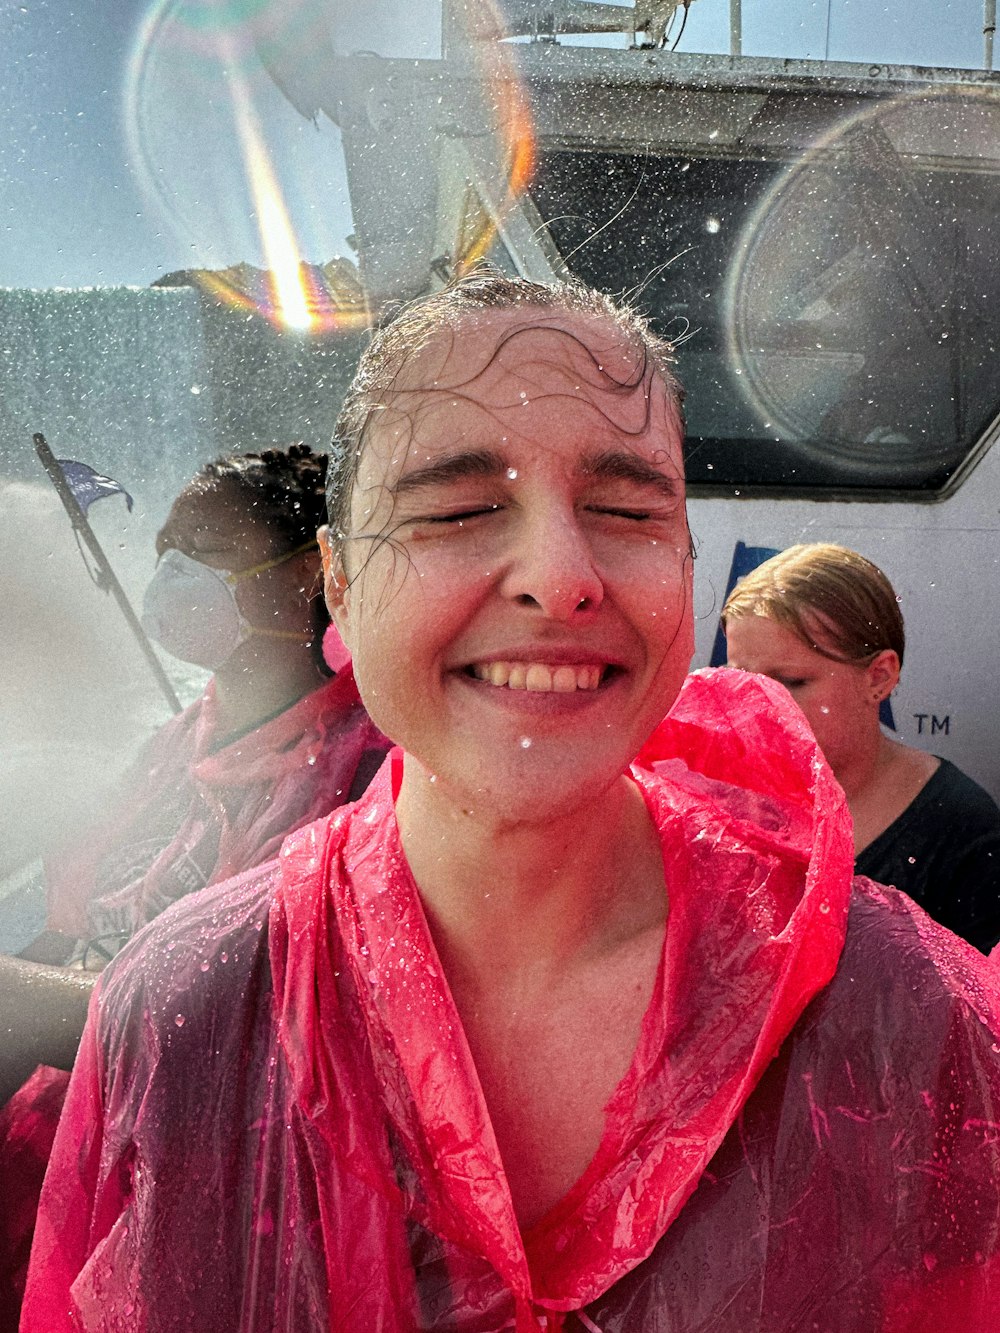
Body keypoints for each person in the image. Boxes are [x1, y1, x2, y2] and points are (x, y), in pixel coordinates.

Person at [21, 272, 1000, 1333]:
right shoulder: (184, 1020)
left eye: (627, 509)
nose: (559, 575)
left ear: (682, 564)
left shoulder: (907, 1021)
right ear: (339, 584)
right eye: (457, 509)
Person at [0, 444, 388, 1329]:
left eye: (209, 549)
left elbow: (252, 1018)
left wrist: (26, 1001)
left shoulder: (370, 772)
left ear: (310, 572)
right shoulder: (167, 745)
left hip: (202, 1199)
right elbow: (73, 929)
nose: (174, 573)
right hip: (58, 1152)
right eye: (172, 546)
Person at [722, 542, 1000, 953]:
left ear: (878, 678)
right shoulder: (721, 800)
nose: (759, 705)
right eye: (742, 680)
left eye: (793, 681)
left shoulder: (962, 832)